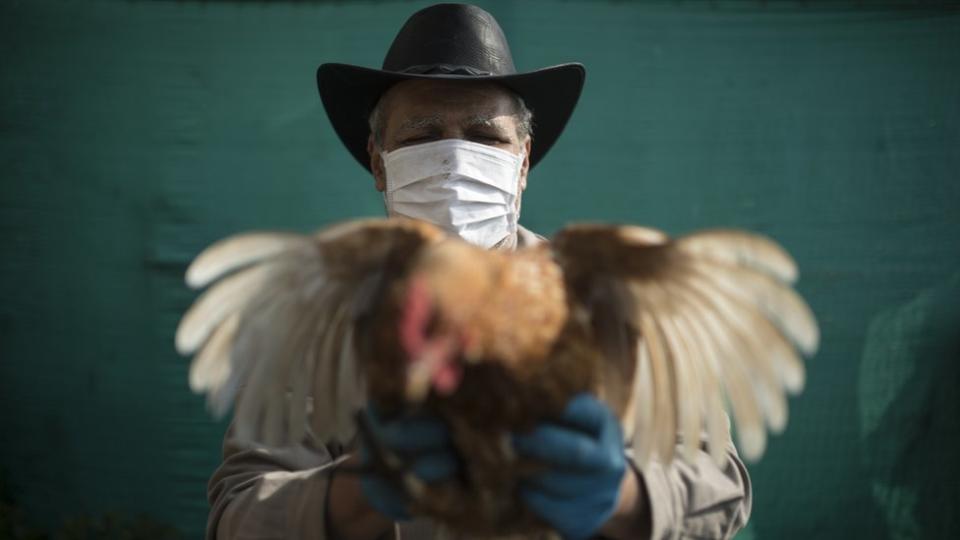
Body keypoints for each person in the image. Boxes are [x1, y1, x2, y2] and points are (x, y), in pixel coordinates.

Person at [206, 4, 751, 539]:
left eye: (486, 137)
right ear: (379, 161)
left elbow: (718, 489)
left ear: (523, 163)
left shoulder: (606, 298)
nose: (455, 160)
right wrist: (356, 491)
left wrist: (623, 497)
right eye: (422, 136)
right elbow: (238, 514)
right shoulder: (319, 314)